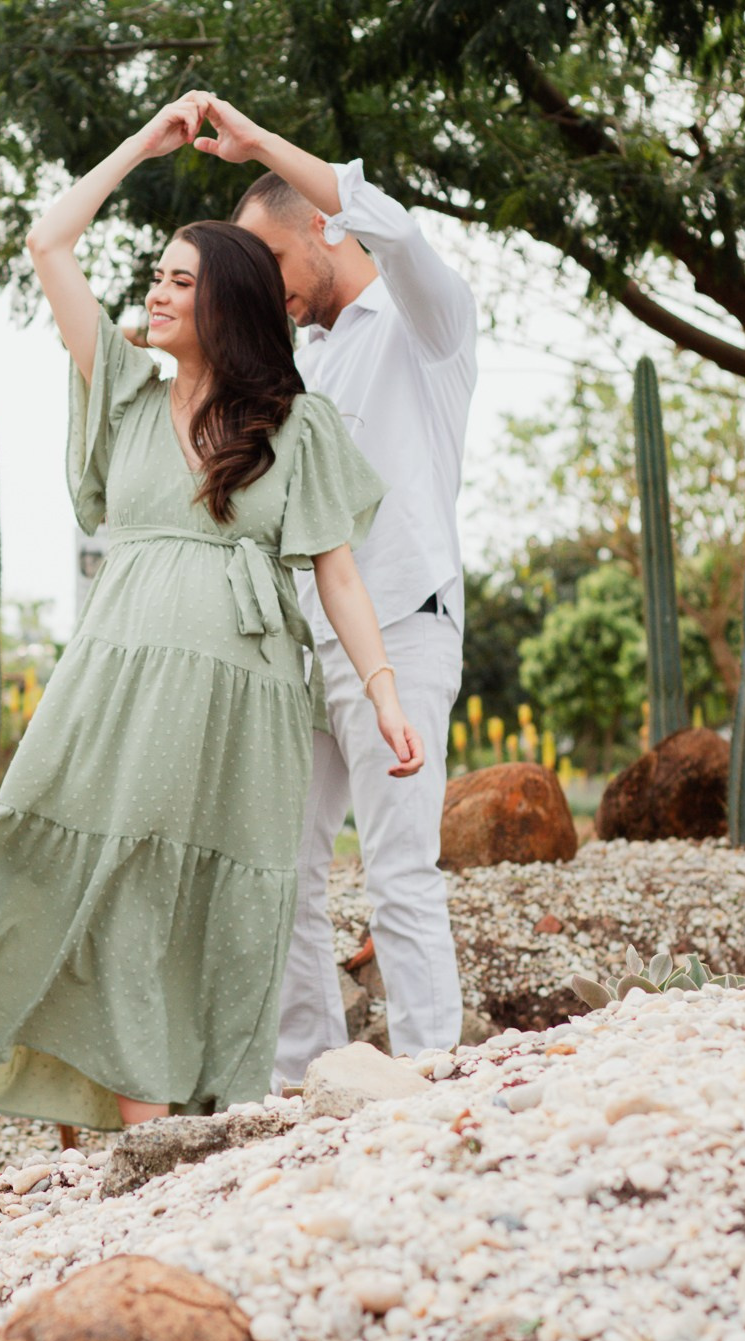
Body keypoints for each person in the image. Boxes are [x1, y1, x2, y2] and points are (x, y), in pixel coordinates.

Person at [0, 92, 425, 1130]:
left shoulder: (294, 427)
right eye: (155, 277)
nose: (156, 294)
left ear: (231, 305)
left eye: (178, 281)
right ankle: (129, 1124)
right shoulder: (120, 388)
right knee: (92, 867)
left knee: (199, 902)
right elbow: (48, 239)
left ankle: (169, 1128)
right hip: (120, 676)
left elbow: (336, 574)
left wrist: (383, 695)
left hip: (246, 691)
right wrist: (140, 145)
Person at [202, 95, 479, 1082]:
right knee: (282, 869)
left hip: (400, 630)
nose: (265, 292)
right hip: (304, 644)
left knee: (399, 869)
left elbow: (392, 227)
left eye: (269, 263)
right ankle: (305, 1081)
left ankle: (430, 1074)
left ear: (323, 231)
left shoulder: (426, 327)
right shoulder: (302, 363)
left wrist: (255, 140)